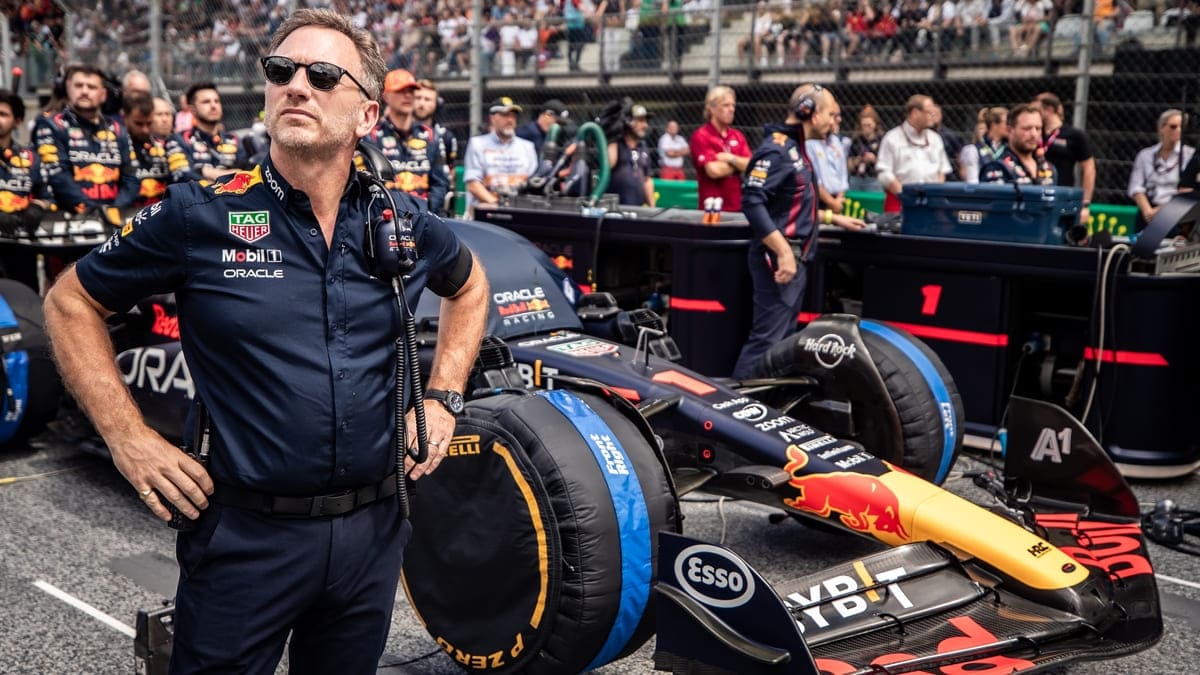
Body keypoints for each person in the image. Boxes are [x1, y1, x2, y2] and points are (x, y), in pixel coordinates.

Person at [42, 9, 489, 673]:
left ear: (367, 117)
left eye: (323, 74)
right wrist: (128, 439)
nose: (296, 85)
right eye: (281, 71)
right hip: (245, 539)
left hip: (372, 533)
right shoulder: (203, 211)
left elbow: (471, 286)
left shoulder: (401, 217)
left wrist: (444, 395)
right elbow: (70, 299)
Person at [734, 84, 865, 379]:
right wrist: (783, 252)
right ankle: (734, 409)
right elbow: (752, 202)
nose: (837, 121)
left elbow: (788, 205)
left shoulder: (796, 149)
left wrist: (833, 218)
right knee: (766, 342)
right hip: (779, 263)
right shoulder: (777, 150)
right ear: (810, 112)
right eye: (832, 114)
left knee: (779, 342)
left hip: (792, 261)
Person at [34, 63, 138, 217]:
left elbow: (132, 178)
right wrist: (91, 209)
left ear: (103, 94)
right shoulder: (51, 125)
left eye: (91, 87)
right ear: (68, 89)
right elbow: (57, 176)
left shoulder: (118, 129)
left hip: (115, 217)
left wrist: (115, 209)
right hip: (67, 220)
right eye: (78, 85)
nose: (84, 91)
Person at [361, 68, 448, 215]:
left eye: (411, 91)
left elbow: (440, 183)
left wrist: (427, 212)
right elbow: (367, 184)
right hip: (386, 216)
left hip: (424, 216)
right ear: (386, 97)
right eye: (401, 91)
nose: (407, 96)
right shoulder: (372, 136)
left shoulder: (430, 135)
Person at [0, 88, 51, 289]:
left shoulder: (30, 158)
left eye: (3, 114)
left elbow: (46, 195)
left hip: (21, 248)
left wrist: (37, 207)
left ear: (17, 120)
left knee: (25, 307)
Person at [876, 94, 951, 212]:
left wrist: (935, 195)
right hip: (900, 201)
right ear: (915, 112)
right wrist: (906, 196)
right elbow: (884, 173)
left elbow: (942, 171)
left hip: (931, 202)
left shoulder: (936, 139)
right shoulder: (892, 138)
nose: (933, 116)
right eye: (929, 112)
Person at [462, 96, 538, 214]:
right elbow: (473, 185)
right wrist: (499, 207)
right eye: (505, 115)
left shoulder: (527, 147)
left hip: (520, 211)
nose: (510, 120)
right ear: (492, 118)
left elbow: (534, 183)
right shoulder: (477, 144)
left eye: (513, 115)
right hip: (487, 212)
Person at [121, 92, 192, 208]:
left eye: (168, 114)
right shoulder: (122, 141)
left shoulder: (177, 142)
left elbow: (185, 177)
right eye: (159, 114)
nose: (164, 119)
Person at [1127, 109, 1196, 227]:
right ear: (1161, 128)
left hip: (1175, 211)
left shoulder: (1190, 156)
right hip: (1148, 209)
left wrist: (1160, 210)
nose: (1178, 131)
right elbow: (1136, 186)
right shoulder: (1146, 155)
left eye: (1182, 127)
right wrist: (1147, 210)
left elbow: (1187, 190)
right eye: (1173, 127)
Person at [690, 85, 751, 212]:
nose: (731, 109)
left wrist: (730, 158)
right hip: (712, 210)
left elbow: (751, 165)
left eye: (733, 105)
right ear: (712, 108)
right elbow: (714, 171)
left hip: (738, 208)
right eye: (726, 105)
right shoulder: (701, 135)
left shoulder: (737, 136)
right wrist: (738, 167)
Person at [1037, 93, 1095, 225]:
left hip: (1063, 197)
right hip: (1037, 196)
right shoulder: (1035, 134)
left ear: (1049, 110)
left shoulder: (1074, 135)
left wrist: (1085, 204)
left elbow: (1089, 168)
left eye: (1037, 110)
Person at [173, 81, 247, 182]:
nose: (213, 106)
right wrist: (227, 175)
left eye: (217, 101)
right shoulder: (179, 140)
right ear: (192, 109)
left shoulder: (233, 139)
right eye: (206, 102)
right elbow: (183, 176)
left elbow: (244, 176)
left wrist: (204, 171)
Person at [980, 104, 1056, 185]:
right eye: (1027, 128)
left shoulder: (1048, 168)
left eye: (1038, 128)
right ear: (1009, 130)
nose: (1034, 134)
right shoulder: (997, 167)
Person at [414, 79, 459, 214]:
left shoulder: (445, 137)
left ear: (436, 104)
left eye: (427, 99)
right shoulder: (393, 133)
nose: (422, 104)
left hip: (432, 205)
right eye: (418, 98)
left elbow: (450, 173)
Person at [607, 103, 655, 206]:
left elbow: (647, 179)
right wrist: (612, 135)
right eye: (641, 121)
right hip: (616, 208)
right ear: (629, 122)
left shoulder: (643, 147)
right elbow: (608, 164)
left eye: (646, 121)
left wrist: (652, 207)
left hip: (637, 208)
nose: (645, 125)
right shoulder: (616, 144)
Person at [807, 107, 850, 214]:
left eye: (839, 115)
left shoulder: (836, 141)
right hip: (817, 201)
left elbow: (843, 174)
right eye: (833, 115)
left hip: (838, 200)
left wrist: (838, 200)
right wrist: (832, 203)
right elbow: (814, 180)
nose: (839, 120)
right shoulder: (809, 143)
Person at [960, 106, 1008, 183]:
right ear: (994, 125)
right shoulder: (973, 150)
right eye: (1006, 123)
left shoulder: (1010, 148)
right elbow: (972, 183)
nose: (1010, 126)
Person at [846, 104, 883, 192]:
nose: (867, 128)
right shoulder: (855, 141)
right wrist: (857, 160)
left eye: (869, 125)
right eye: (864, 125)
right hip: (856, 178)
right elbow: (848, 166)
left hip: (873, 179)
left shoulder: (881, 141)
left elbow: (887, 165)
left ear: (875, 124)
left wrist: (874, 159)